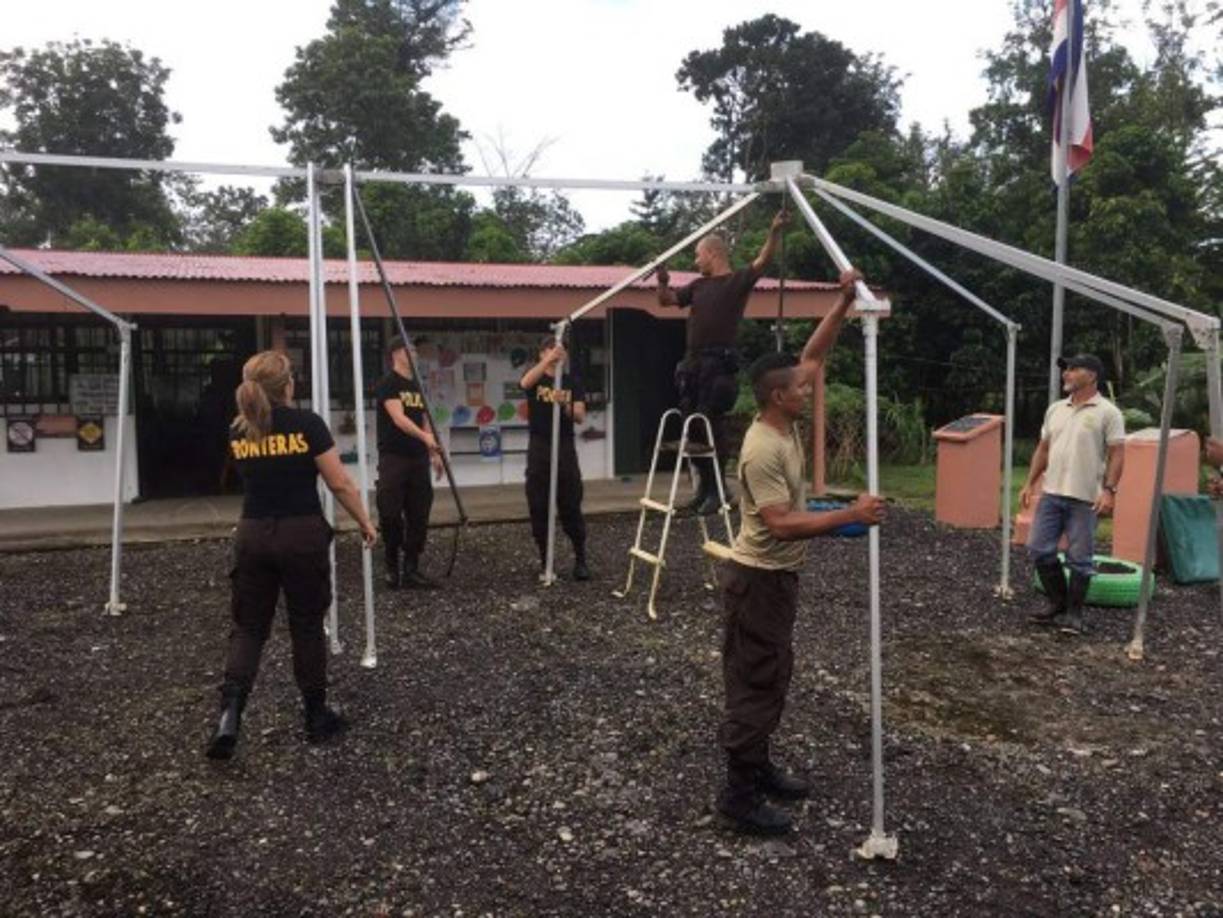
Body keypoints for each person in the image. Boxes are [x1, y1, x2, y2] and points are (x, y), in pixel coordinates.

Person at [716, 268, 886, 836]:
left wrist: (840, 303)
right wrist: (851, 516)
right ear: (776, 397)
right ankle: (737, 797)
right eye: (799, 388)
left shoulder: (782, 417)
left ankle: (758, 768)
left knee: (771, 673)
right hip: (758, 578)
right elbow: (782, 525)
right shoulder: (764, 447)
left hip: (775, 580)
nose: (808, 388)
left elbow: (812, 356)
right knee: (756, 679)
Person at [206, 350, 378, 760]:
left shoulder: (239, 430)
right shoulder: (307, 425)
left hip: (252, 534)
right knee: (305, 624)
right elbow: (339, 483)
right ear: (287, 386)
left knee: (249, 628)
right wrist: (366, 522)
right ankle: (316, 715)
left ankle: (229, 715)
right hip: (301, 534)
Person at [657, 210, 788, 515]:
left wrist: (774, 231)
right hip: (693, 365)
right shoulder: (697, 287)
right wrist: (663, 279)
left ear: (713, 253)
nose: (694, 261)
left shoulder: (735, 282)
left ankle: (720, 490)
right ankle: (704, 489)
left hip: (718, 364)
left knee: (712, 424)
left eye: (697, 255)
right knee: (694, 429)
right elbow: (665, 301)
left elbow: (762, 262)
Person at [1020, 354, 1126, 636]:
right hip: (1052, 493)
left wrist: (1110, 490)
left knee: (1080, 558)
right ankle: (1058, 603)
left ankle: (1074, 615)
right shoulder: (1056, 409)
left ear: (1092, 376)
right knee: (1039, 549)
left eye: (1073, 369)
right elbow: (1043, 449)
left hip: (1085, 498)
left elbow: (1117, 453)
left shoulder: (1108, 412)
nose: (1066, 373)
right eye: (1065, 369)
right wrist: (1029, 483)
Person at [374, 335, 445, 589]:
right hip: (394, 456)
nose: (414, 353)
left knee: (419, 512)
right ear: (396, 353)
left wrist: (433, 452)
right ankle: (391, 566)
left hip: (417, 458)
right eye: (409, 349)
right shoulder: (388, 384)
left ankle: (412, 568)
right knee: (390, 513)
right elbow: (399, 418)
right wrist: (426, 438)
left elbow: (424, 419)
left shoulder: (417, 385)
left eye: (415, 349)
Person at [519, 336, 590, 581]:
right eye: (550, 349)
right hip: (540, 446)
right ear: (541, 353)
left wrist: (565, 404)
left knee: (570, 503)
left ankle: (580, 558)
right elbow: (525, 383)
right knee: (539, 505)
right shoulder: (536, 378)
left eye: (561, 350)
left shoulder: (571, 382)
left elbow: (580, 416)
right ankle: (545, 561)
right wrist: (548, 360)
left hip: (565, 447)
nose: (558, 353)